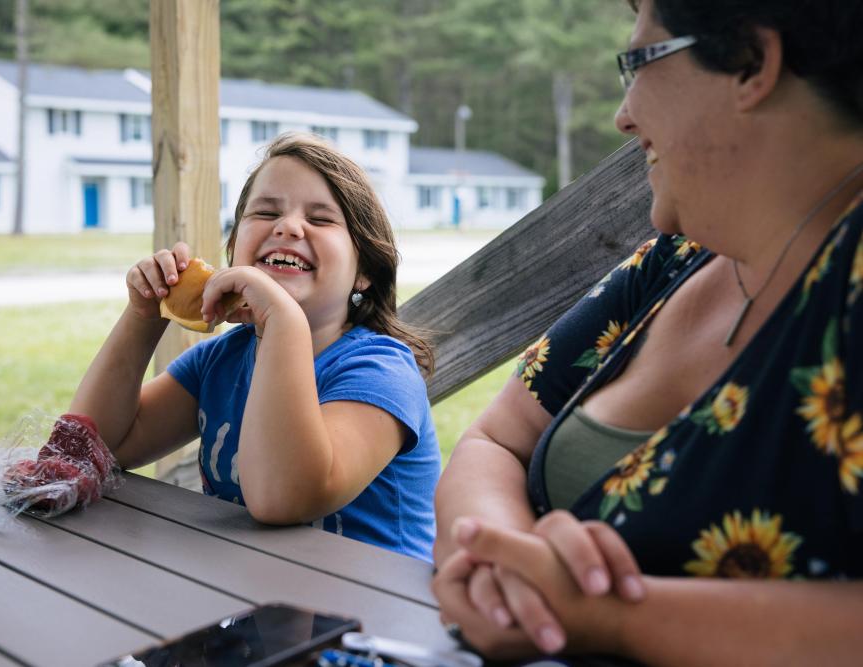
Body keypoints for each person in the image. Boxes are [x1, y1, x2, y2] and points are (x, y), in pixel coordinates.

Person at [431, 0, 863, 663]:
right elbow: (495, 437)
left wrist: (609, 615)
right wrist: (503, 557)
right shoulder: (676, 257)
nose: (623, 113)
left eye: (638, 61)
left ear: (752, 61)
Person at [68, 133, 440, 561]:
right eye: (265, 212)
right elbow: (91, 446)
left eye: (320, 219)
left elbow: (285, 499)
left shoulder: (382, 372)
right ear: (234, 251)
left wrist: (281, 322)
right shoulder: (220, 362)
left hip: (377, 617)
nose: (288, 226)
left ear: (364, 273)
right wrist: (144, 316)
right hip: (256, 604)